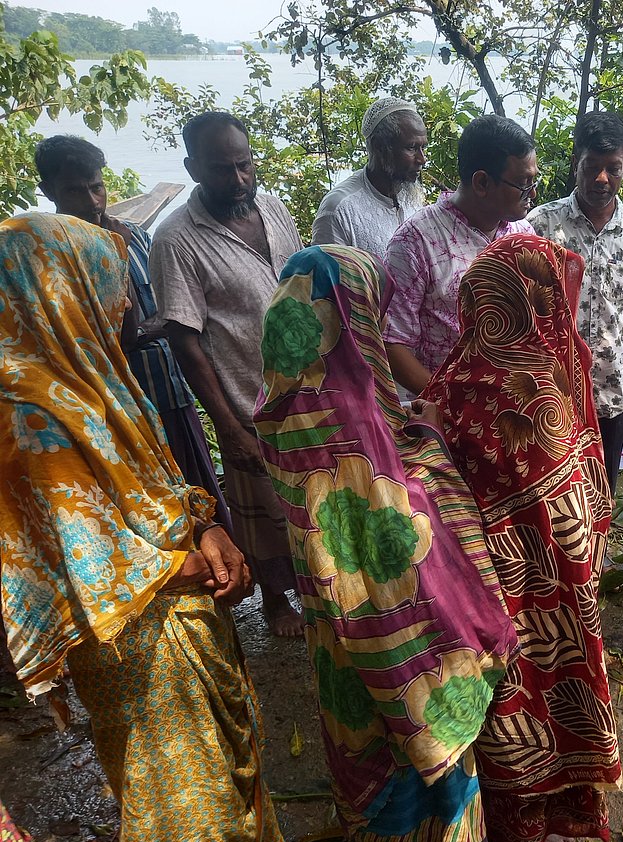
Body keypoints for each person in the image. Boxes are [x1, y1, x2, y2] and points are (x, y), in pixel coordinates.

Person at [0, 213, 289, 842]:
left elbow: (160, 488)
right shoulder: (26, 409)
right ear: (60, 290)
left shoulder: (97, 381)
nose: (127, 301)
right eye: (108, 282)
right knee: (182, 813)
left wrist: (207, 531)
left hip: (177, 613)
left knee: (223, 786)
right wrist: (194, 565)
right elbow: (81, 558)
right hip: (135, 649)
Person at [253, 245, 520, 842]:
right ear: (350, 316)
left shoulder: (287, 404)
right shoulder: (354, 412)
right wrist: (429, 443)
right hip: (398, 628)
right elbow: (398, 524)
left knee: (359, 730)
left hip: (335, 621)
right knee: (411, 743)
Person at [422, 234, 621, 842]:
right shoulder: (543, 383)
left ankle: (504, 828)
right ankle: (541, 824)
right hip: (552, 586)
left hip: (479, 588)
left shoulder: (453, 379)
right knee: (553, 689)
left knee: (503, 701)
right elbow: (577, 503)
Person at [151, 110, 306, 637]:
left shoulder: (272, 206)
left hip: (306, 387)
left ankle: (321, 591)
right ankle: (275, 601)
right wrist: (227, 425)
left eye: (245, 165)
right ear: (194, 169)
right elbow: (185, 340)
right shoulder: (176, 239)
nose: (238, 180)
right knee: (261, 512)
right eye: (223, 170)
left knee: (313, 502)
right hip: (247, 399)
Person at [34, 134, 231, 533]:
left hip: (171, 391)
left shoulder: (134, 234)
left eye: (97, 187)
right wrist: (156, 318)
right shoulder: (53, 255)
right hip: (121, 411)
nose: (92, 202)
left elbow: (172, 307)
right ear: (48, 191)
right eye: (75, 191)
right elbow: (103, 340)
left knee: (205, 504)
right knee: (160, 518)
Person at [528, 111, 623, 491]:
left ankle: (597, 550)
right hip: (551, 389)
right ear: (576, 163)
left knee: (602, 486)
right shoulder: (541, 226)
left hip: (613, 388)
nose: (602, 179)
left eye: (613, 169)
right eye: (592, 167)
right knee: (552, 490)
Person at [383, 114, 537, 396]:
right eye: (523, 183)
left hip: (513, 411)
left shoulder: (524, 234)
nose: (533, 193)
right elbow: (393, 344)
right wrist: (450, 404)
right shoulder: (416, 241)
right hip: (446, 417)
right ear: (481, 183)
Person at [311, 97, 428, 258]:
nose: (422, 159)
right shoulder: (339, 209)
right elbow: (328, 280)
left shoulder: (412, 199)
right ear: (379, 146)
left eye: (423, 147)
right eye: (411, 148)